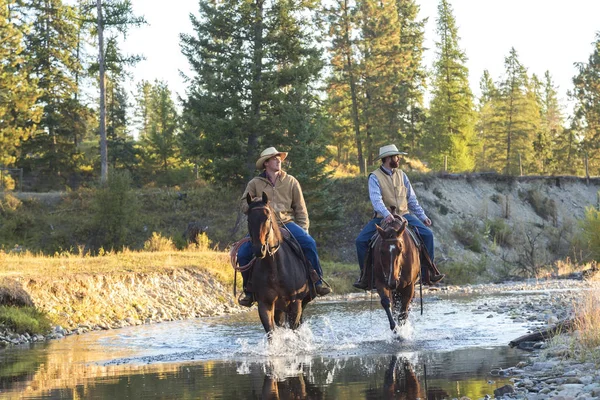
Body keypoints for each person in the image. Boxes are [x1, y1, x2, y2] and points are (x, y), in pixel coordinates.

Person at [237, 147, 331, 307]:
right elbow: (243, 205)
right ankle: (249, 291)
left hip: (287, 224)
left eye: (279, 158)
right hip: (262, 226)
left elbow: (301, 209)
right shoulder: (254, 183)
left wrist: (303, 230)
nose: (278, 160)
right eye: (274, 158)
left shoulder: (291, 181)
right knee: (243, 253)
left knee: (309, 243)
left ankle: (317, 282)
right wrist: (256, 202)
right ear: (266, 163)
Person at [353, 144, 445, 289]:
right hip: (381, 217)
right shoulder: (374, 177)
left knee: (427, 235)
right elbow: (376, 200)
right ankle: (366, 276)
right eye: (396, 156)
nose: (398, 158)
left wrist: (423, 217)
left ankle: (429, 272)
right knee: (360, 241)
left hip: (404, 215)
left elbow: (411, 199)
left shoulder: (402, 175)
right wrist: (387, 214)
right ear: (388, 158)